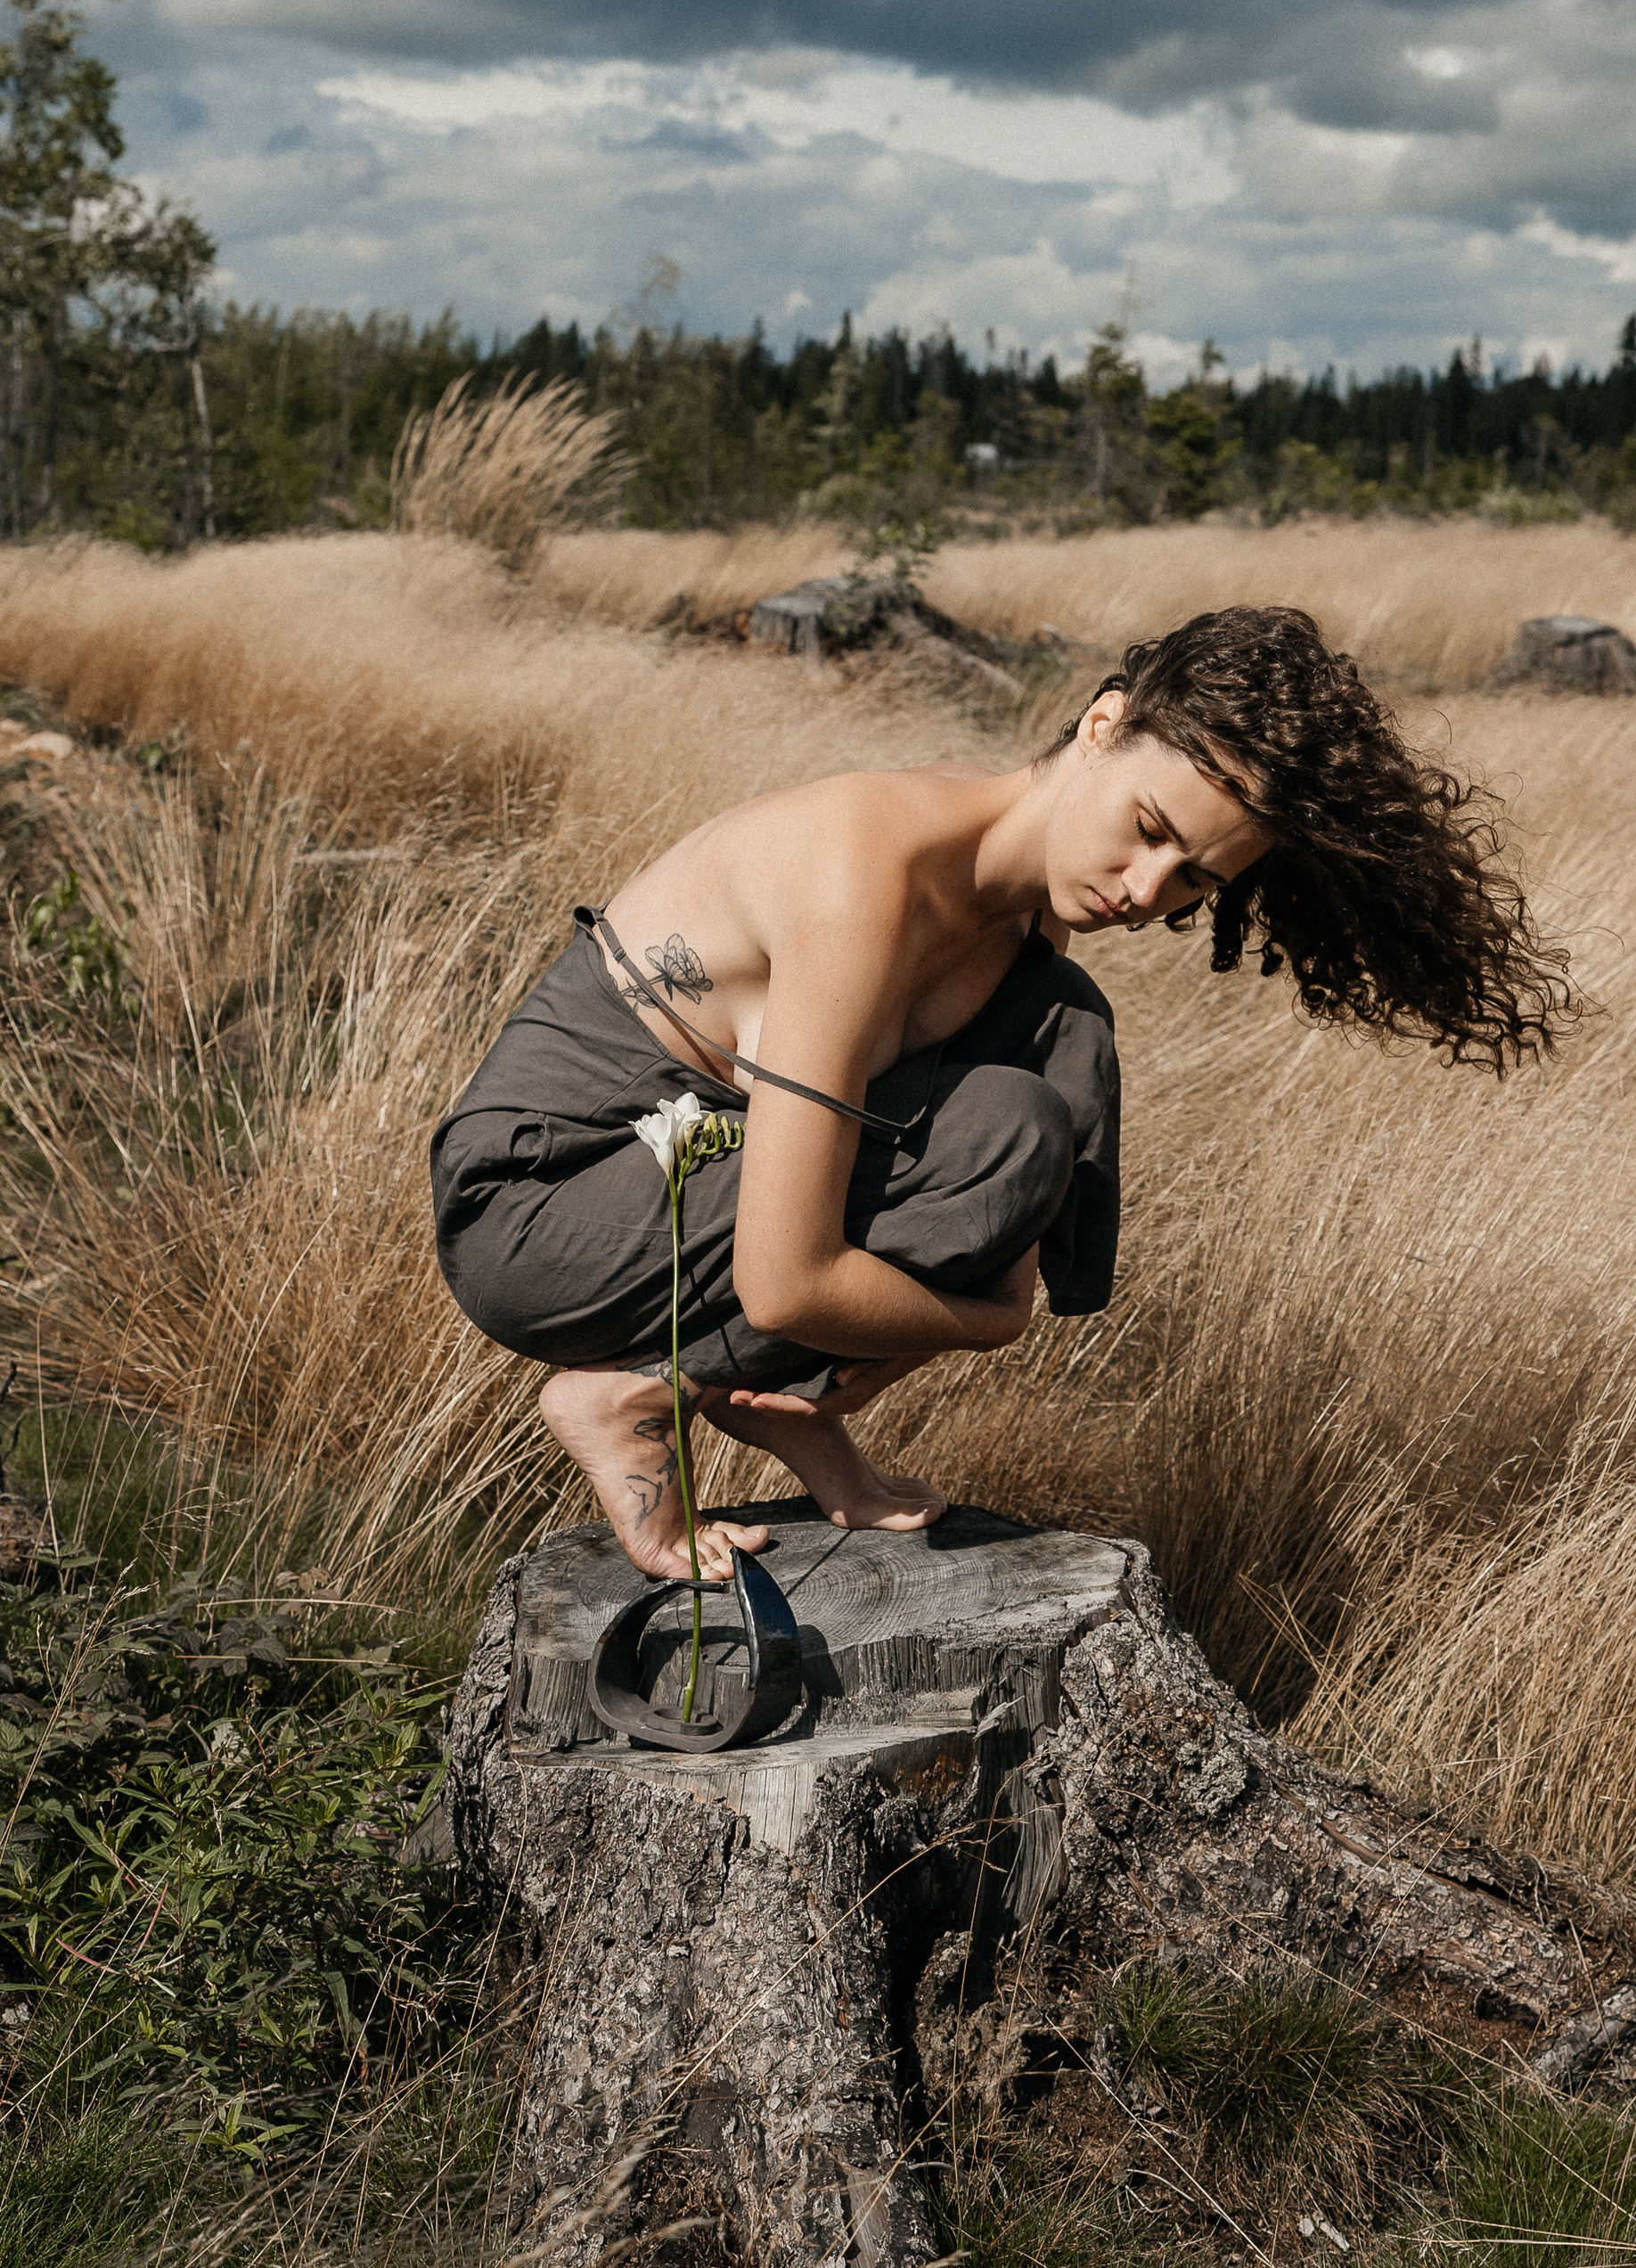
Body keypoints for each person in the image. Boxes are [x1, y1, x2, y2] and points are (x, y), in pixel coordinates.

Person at [430, 603, 1566, 1583]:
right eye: (1149, 830)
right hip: (542, 1205)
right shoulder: (867, 875)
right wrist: (989, 1324)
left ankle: (784, 1408)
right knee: (1012, 1120)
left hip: (688, 1174)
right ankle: (633, 1395)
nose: (1145, 891)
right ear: (1102, 725)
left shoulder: (1024, 929)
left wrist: (975, 1297)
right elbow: (783, 1281)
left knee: (1062, 1035)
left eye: (1194, 880)